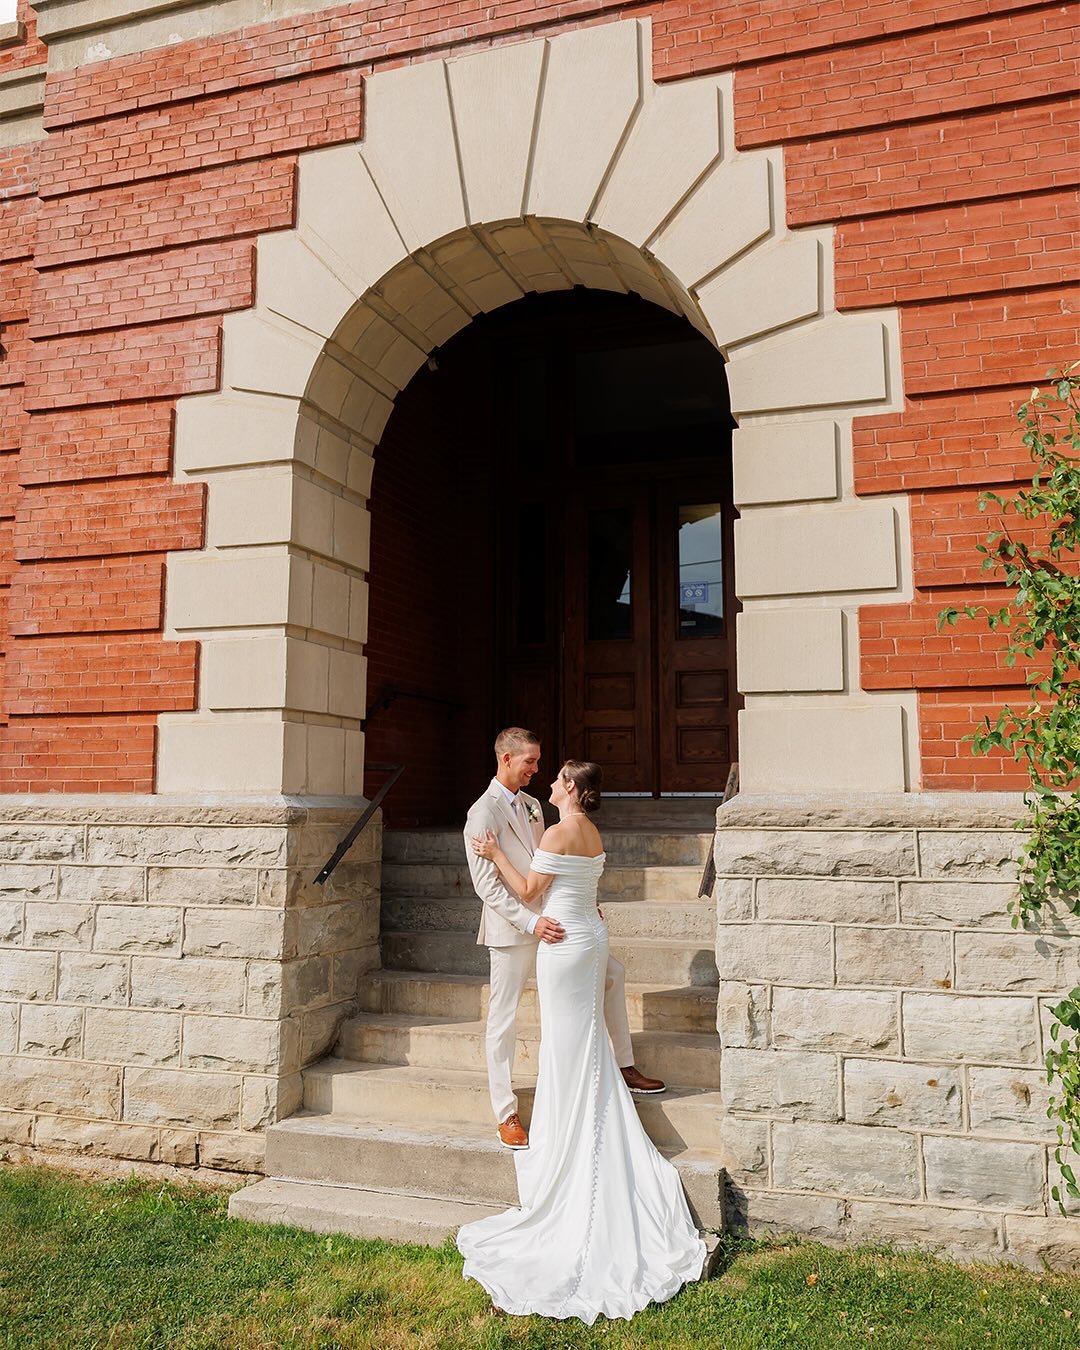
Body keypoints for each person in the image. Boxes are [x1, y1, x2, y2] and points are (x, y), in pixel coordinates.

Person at [456, 758, 705, 1323]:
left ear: (571, 788)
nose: (547, 780)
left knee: (567, 1048)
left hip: (564, 946)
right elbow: (576, 882)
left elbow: (528, 887)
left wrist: (495, 855)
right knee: (582, 1043)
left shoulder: (558, 827)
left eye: (556, 775)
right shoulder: (589, 831)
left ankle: (567, 1150)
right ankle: (587, 1122)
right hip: (588, 935)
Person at [463, 727, 664, 1150]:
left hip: (561, 923)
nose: (537, 769)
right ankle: (506, 1112)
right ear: (506, 759)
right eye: (530, 761)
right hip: (516, 928)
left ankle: (623, 1066)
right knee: (503, 1017)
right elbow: (487, 886)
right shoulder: (481, 813)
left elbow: (553, 862)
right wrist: (530, 921)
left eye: (539, 762)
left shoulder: (536, 806)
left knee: (612, 974)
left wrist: (581, 901)